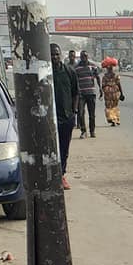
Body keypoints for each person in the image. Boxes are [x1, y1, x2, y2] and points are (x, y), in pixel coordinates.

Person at [50, 43, 79, 190]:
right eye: (52, 54)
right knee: (50, 148)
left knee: (64, 148)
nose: (55, 57)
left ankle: (61, 175)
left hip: (66, 118)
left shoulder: (69, 71)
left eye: (57, 54)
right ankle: (50, 176)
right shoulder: (45, 73)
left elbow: (75, 93)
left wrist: (73, 113)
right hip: (49, 119)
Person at [75, 51, 101, 137]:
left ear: (87, 57)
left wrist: (100, 89)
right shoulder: (77, 68)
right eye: (82, 56)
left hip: (91, 93)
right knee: (81, 113)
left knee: (92, 114)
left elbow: (97, 77)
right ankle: (83, 131)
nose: (84, 58)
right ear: (80, 57)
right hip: (81, 94)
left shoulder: (93, 66)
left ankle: (92, 131)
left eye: (85, 56)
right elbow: (75, 81)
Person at [100, 57, 125, 126]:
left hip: (108, 93)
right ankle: (115, 119)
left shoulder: (105, 77)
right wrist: (122, 94)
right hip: (115, 93)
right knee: (115, 106)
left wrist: (102, 93)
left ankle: (112, 119)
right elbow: (119, 84)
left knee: (109, 106)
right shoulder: (116, 76)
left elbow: (103, 85)